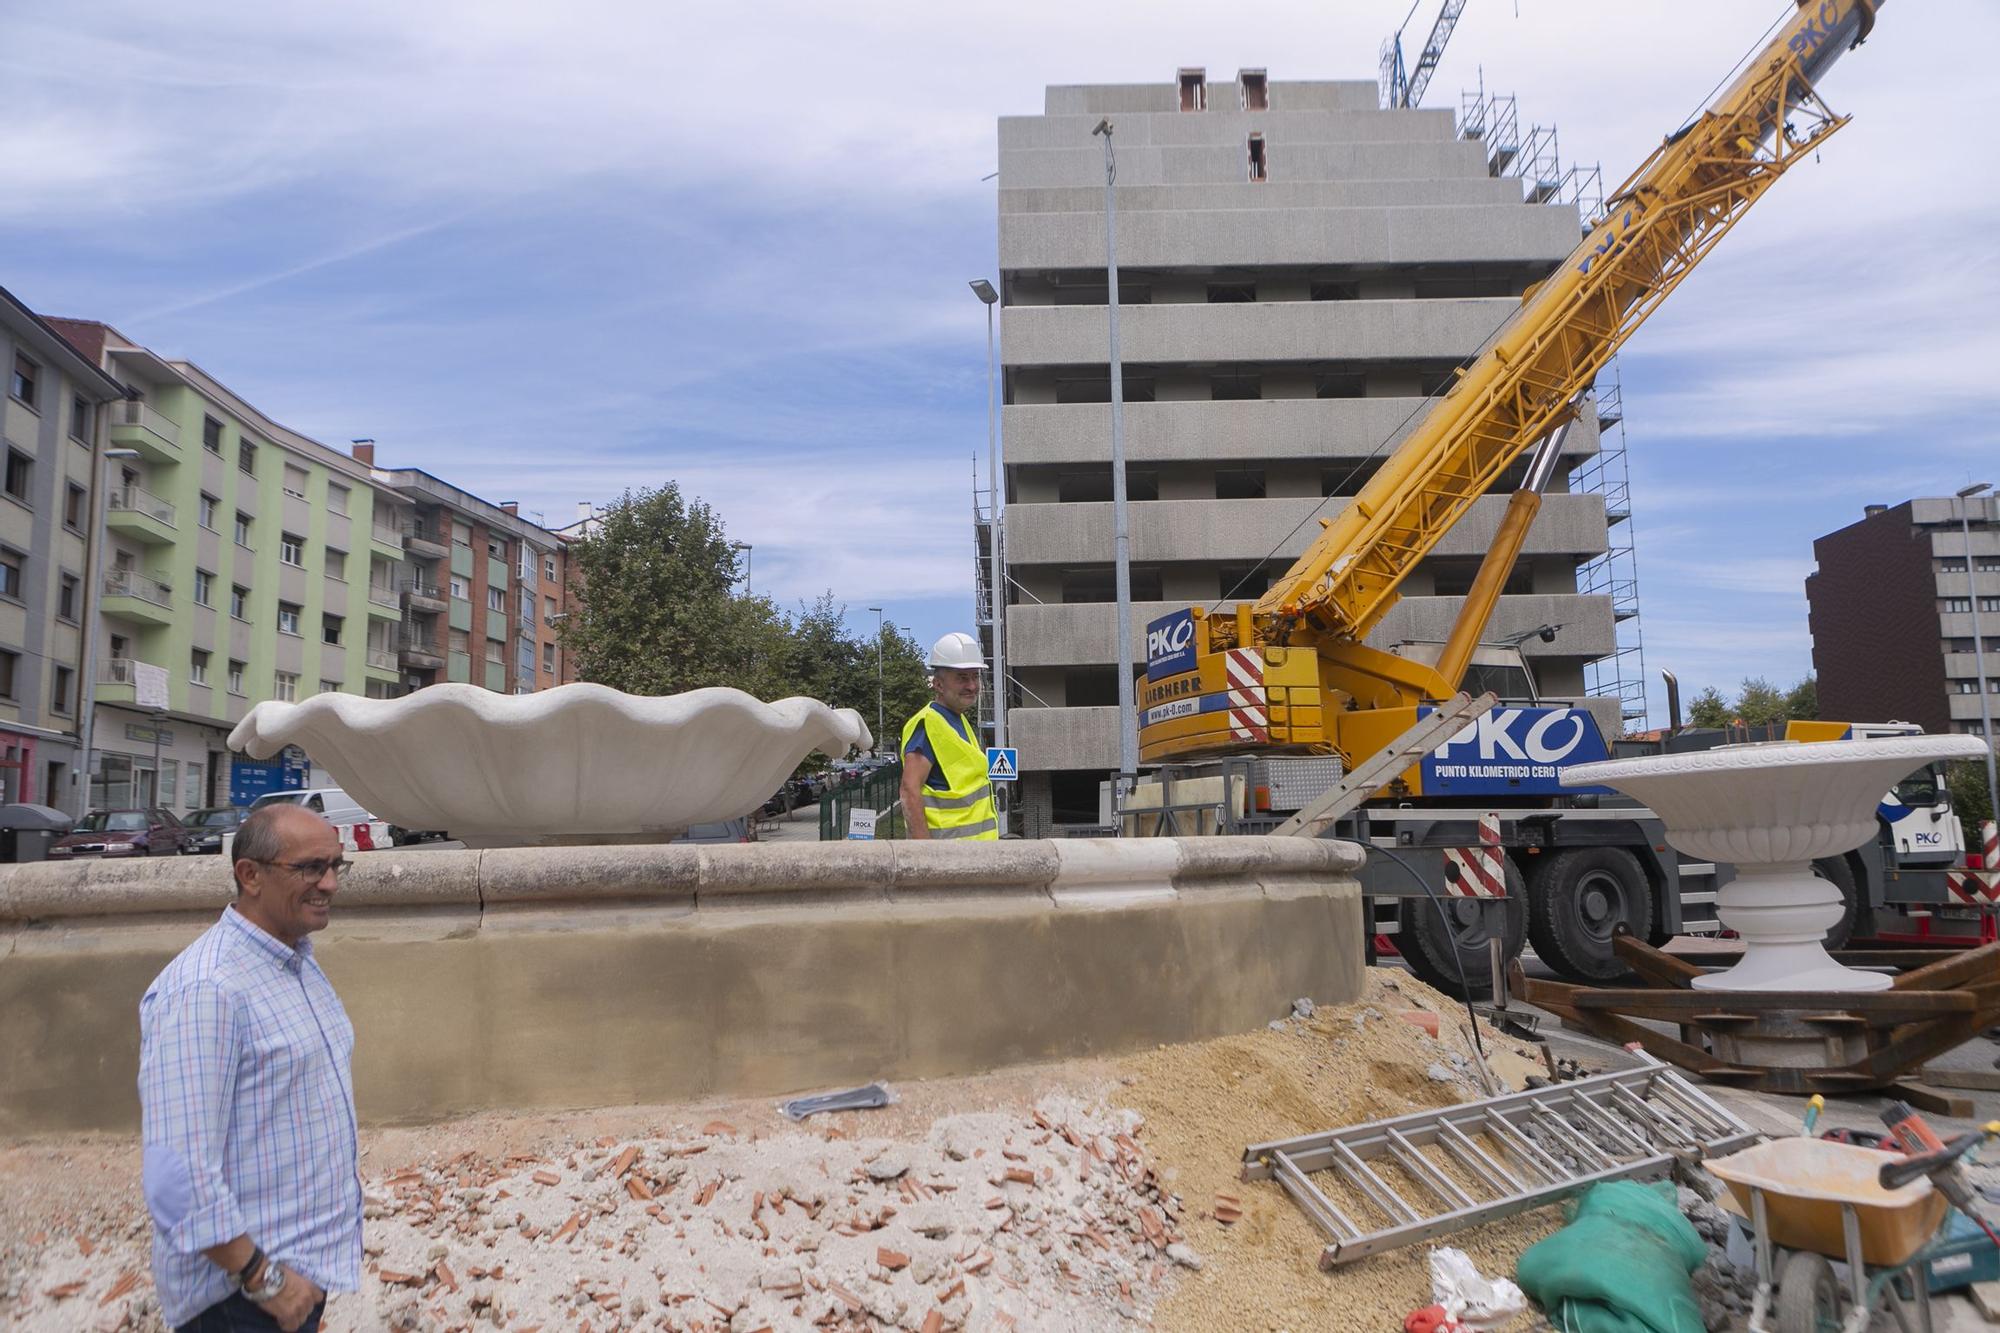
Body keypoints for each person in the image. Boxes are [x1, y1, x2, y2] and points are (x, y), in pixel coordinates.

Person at [137, 804, 362, 1332]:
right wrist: (265, 1279)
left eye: (336, 866)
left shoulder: (293, 959)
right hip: (242, 1300)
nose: (329, 883)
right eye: (310, 868)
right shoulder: (207, 989)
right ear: (250, 875)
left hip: (293, 1277)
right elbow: (176, 1178)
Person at [899, 631, 1000, 840]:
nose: (972, 686)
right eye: (962, 678)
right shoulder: (928, 724)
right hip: (948, 860)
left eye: (975, 676)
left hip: (974, 857)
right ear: (938, 685)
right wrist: (925, 855)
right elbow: (909, 790)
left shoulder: (958, 721)